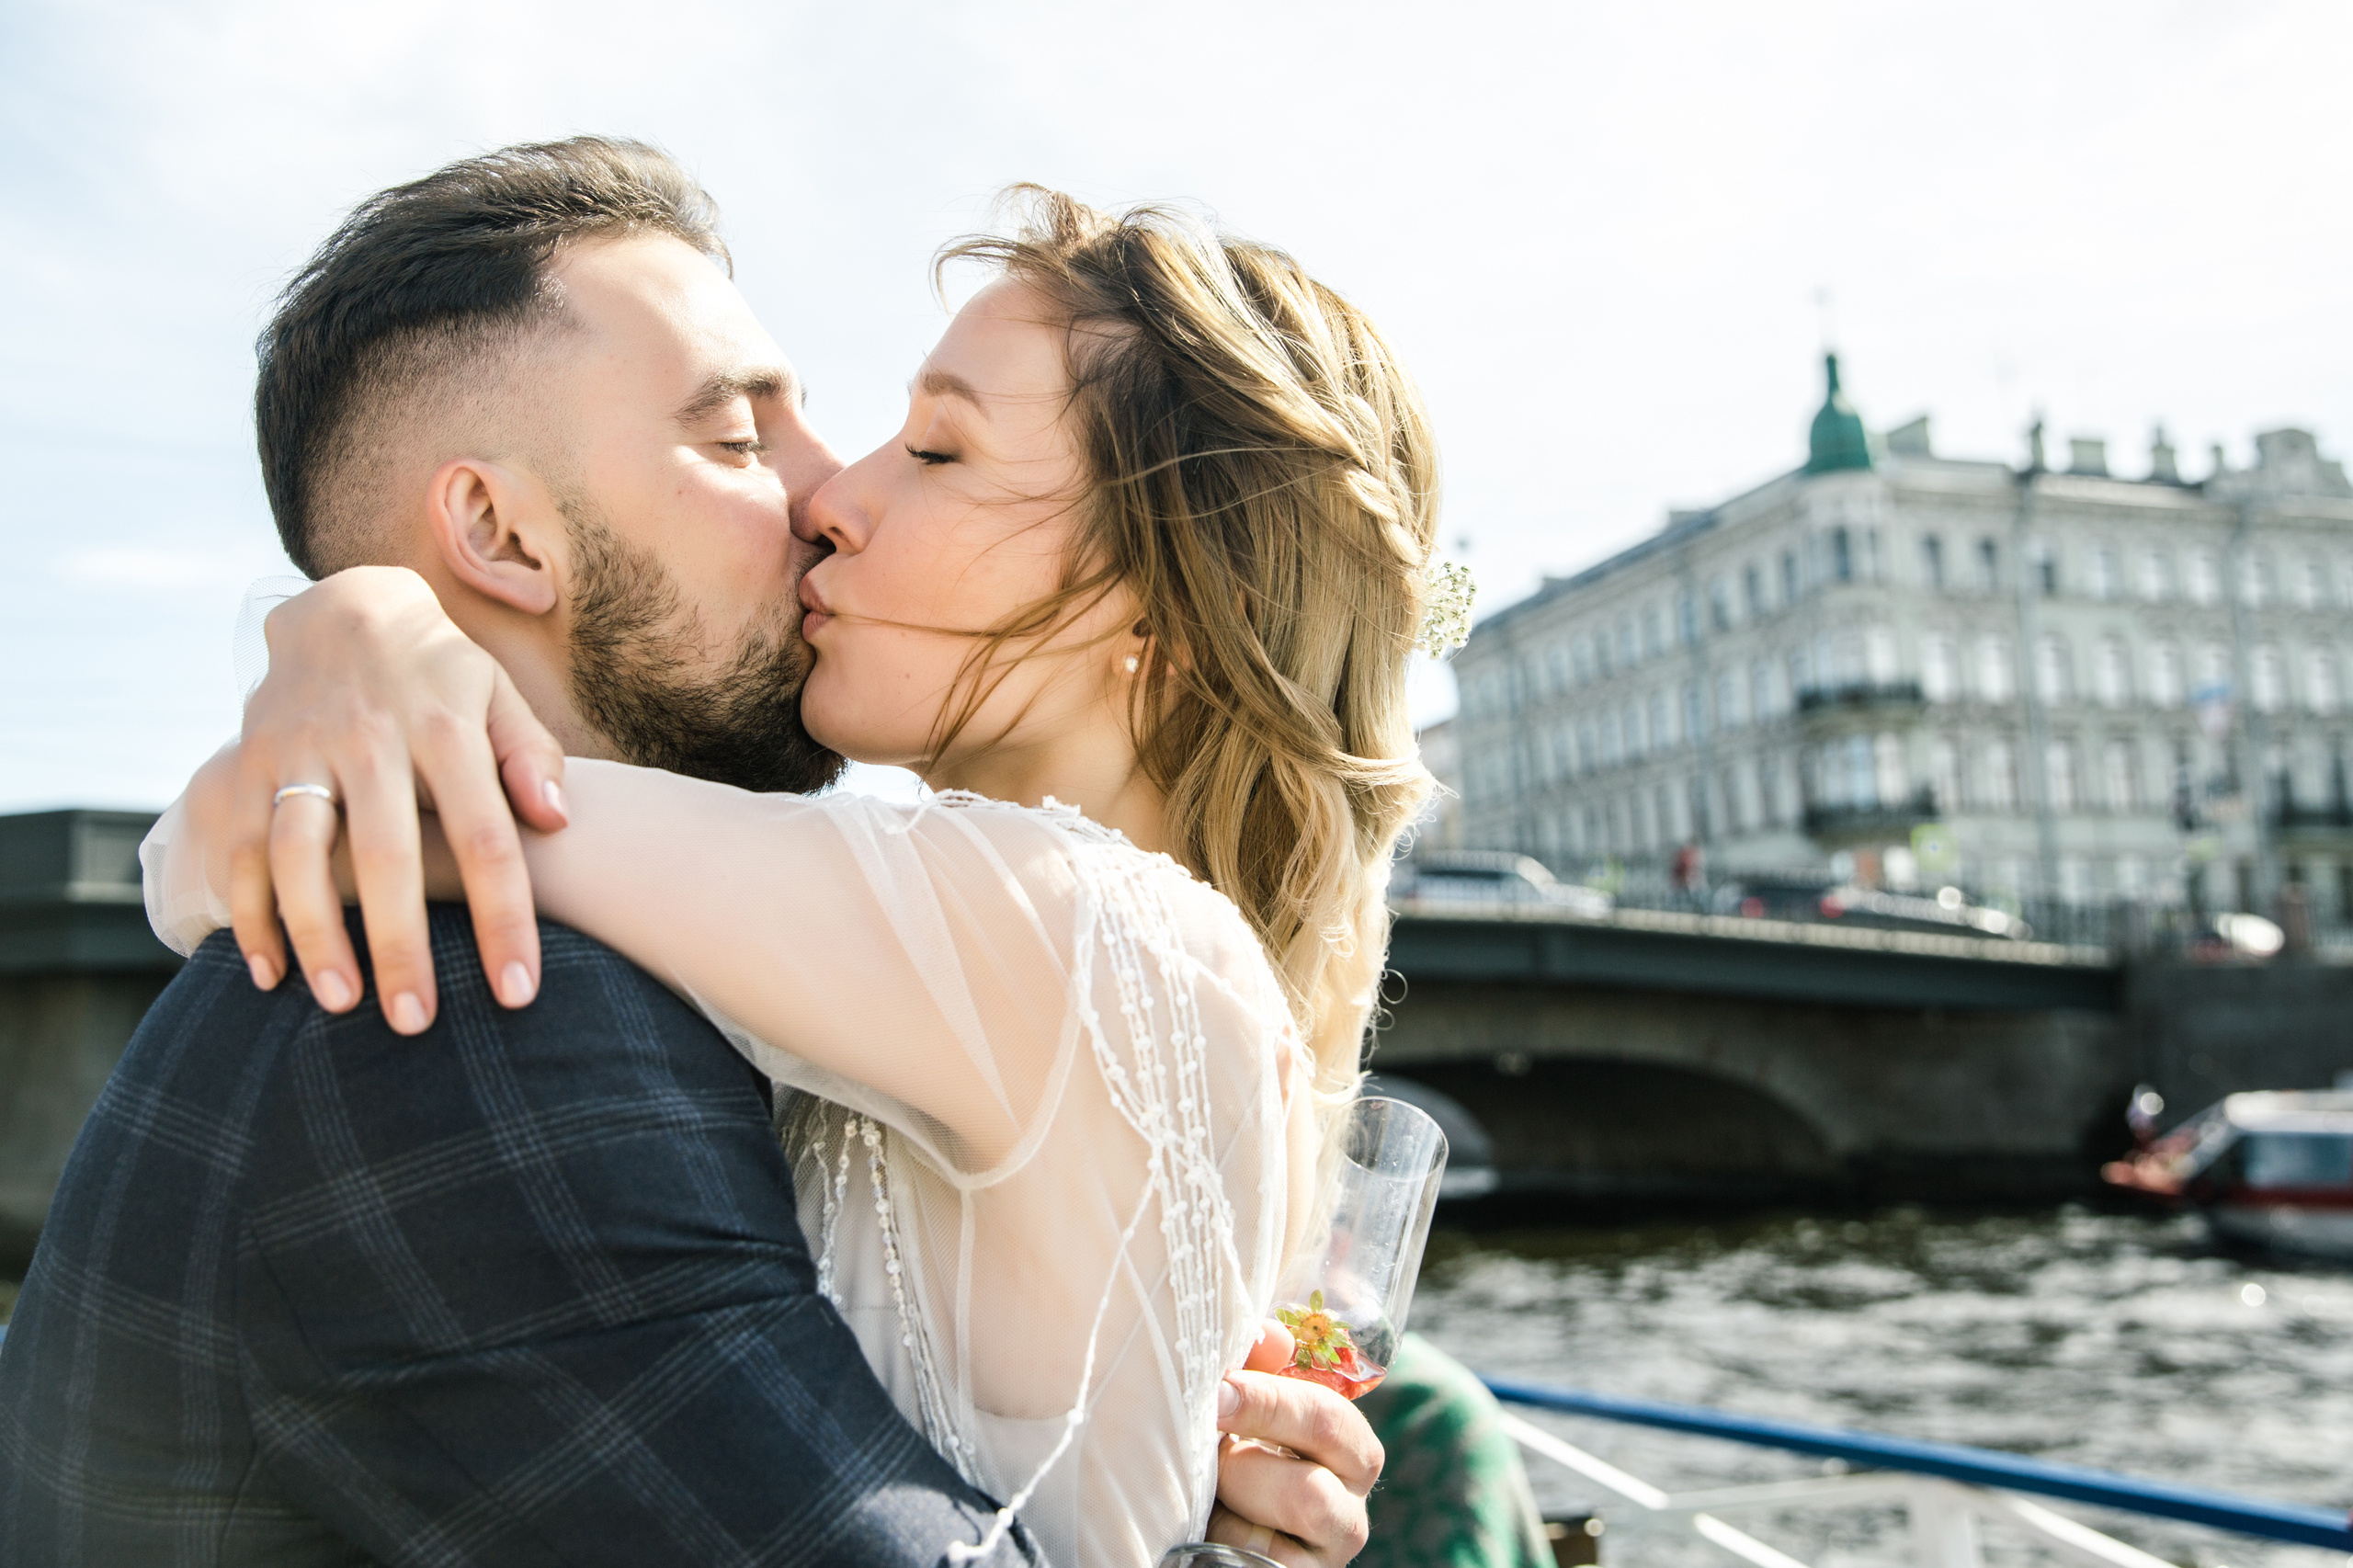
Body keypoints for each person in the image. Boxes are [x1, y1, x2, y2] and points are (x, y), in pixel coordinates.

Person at [0, 139, 1379, 1567]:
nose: (825, 494)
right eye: (735, 441)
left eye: (934, 450)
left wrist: (341, 647)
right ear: (499, 531)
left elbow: (198, 859)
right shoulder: (471, 1012)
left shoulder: (1028, 930)